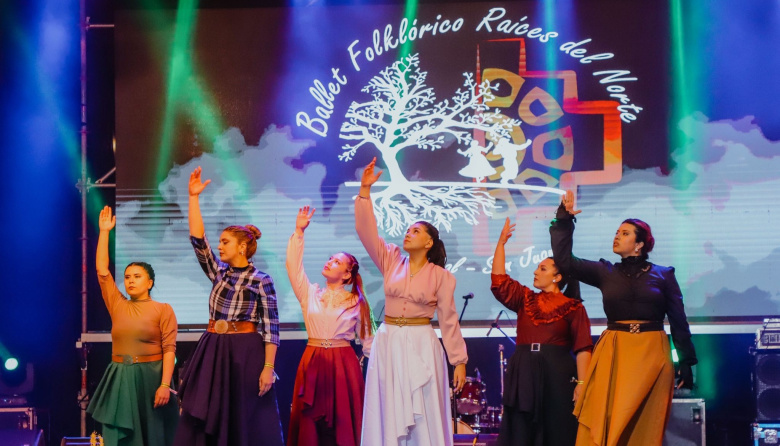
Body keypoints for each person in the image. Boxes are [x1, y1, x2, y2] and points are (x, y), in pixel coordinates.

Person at [549, 190, 697, 446]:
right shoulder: (605, 271)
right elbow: (565, 262)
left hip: (652, 353)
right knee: (609, 420)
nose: (617, 236)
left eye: (625, 233)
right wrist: (563, 221)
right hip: (615, 351)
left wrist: (686, 361)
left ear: (640, 244)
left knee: (645, 425)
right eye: (617, 232)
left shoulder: (664, 275)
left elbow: (678, 320)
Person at [356, 157, 468, 446]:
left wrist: (459, 361)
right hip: (389, 340)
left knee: (423, 411)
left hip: (421, 342)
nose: (408, 232)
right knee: (387, 407)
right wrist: (365, 192)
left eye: (416, 231)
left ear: (429, 242)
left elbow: (449, 320)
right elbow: (367, 233)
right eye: (408, 229)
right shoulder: (391, 258)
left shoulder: (441, 276)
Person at [174, 167, 284, 446]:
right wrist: (193, 197)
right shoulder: (219, 272)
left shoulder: (261, 280)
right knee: (204, 412)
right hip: (213, 347)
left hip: (244, 352)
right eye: (220, 242)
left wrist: (268, 367)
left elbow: (271, 329)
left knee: (242, 416)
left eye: (225, 242)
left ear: (242, 247)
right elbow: (199, 241)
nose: (220, 247)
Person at [490, 217, 592, 446]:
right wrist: (501, 244)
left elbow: (584, 347)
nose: (536, 271)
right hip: (524, 369)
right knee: (520, 432)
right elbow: (499, 282)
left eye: (542, 268)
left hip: (556, 371)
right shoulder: (525, 299)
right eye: (537, 267)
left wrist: (583, 385)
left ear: (557, 277)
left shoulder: (574, 307)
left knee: (557, 431)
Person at [87, 206, 179, 446]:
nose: (130, 280)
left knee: (153, 437)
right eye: (127, 277)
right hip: (121, 376)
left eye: (137, 276)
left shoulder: (163, 309)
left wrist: (165, 385)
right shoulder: (118, 304)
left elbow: (169, 349)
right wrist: (104, 231)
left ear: (149, 282)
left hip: (151, 378)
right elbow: (102, 271)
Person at [285, 205, 376, 446]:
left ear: (347, 275)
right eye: (329, 259)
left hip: (343, 364)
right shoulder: (311, 294)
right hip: (313, 358)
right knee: (309, 424)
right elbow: (294, 269)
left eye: (336, 262)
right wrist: (299, 232)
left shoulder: (357, 301)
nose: (329, 262)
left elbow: (369, 344)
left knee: (343, 425)